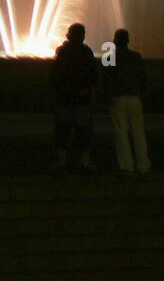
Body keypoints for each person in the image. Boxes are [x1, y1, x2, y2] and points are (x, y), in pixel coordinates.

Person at [51, 23, 99, 171]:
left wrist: (60, 89)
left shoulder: (62, 52)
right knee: (84, 132)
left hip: (64, 98)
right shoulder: (87, 52)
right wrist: (88, 89)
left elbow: (54, 74)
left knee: (62, 131)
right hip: (82, 99)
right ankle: (84, 162)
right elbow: (94, 74)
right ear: (82, 36)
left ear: (69, 35)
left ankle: (61, 161)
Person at [103, 29, 150, 174]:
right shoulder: (137, 57)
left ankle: (126, 165)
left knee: (121, 132)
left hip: (118, 98)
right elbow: (143, 78)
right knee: (138, 132)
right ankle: (143, 165)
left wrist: (106, 96)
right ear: (128, 41)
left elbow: (106, 78)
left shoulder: (108, 56)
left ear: (115, 41)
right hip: (135, 97)